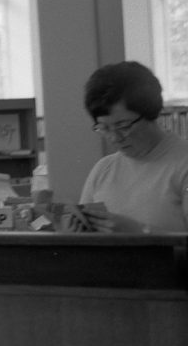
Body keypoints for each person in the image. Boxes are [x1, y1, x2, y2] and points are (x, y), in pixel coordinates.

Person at [78, 61, 188, 233]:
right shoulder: (103, 170)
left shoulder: (182, 163)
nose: (114, 138)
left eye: (124, 126)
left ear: (151, 113)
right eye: (104, 128)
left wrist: (138, 233)